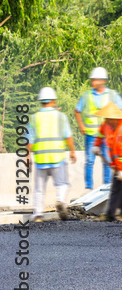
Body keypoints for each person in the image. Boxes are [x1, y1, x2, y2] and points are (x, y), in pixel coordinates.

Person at [28, 87, 76, 222]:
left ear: (41, 102)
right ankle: (60, 201)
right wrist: (72, 151)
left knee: (39, 189)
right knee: (62, 184)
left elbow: (30, 140)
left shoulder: (34, 118)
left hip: (40, 159)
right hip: (57, 158)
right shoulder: (61, 117)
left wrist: (27, 156)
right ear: (53, 101)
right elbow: (68, 136)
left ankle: (37, 214)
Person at [74, 67, 122, 190]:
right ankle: (89, 188)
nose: (92, 82)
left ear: (103, 81)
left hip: (107, 135)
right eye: (92, 80)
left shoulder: (112, 95)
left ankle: (107, 187)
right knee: (89, 161)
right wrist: (81, 125)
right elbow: (77, 110)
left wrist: (116, 125)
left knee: (107, 161)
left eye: (95, 80)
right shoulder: (86, 96)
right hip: (91, 134)